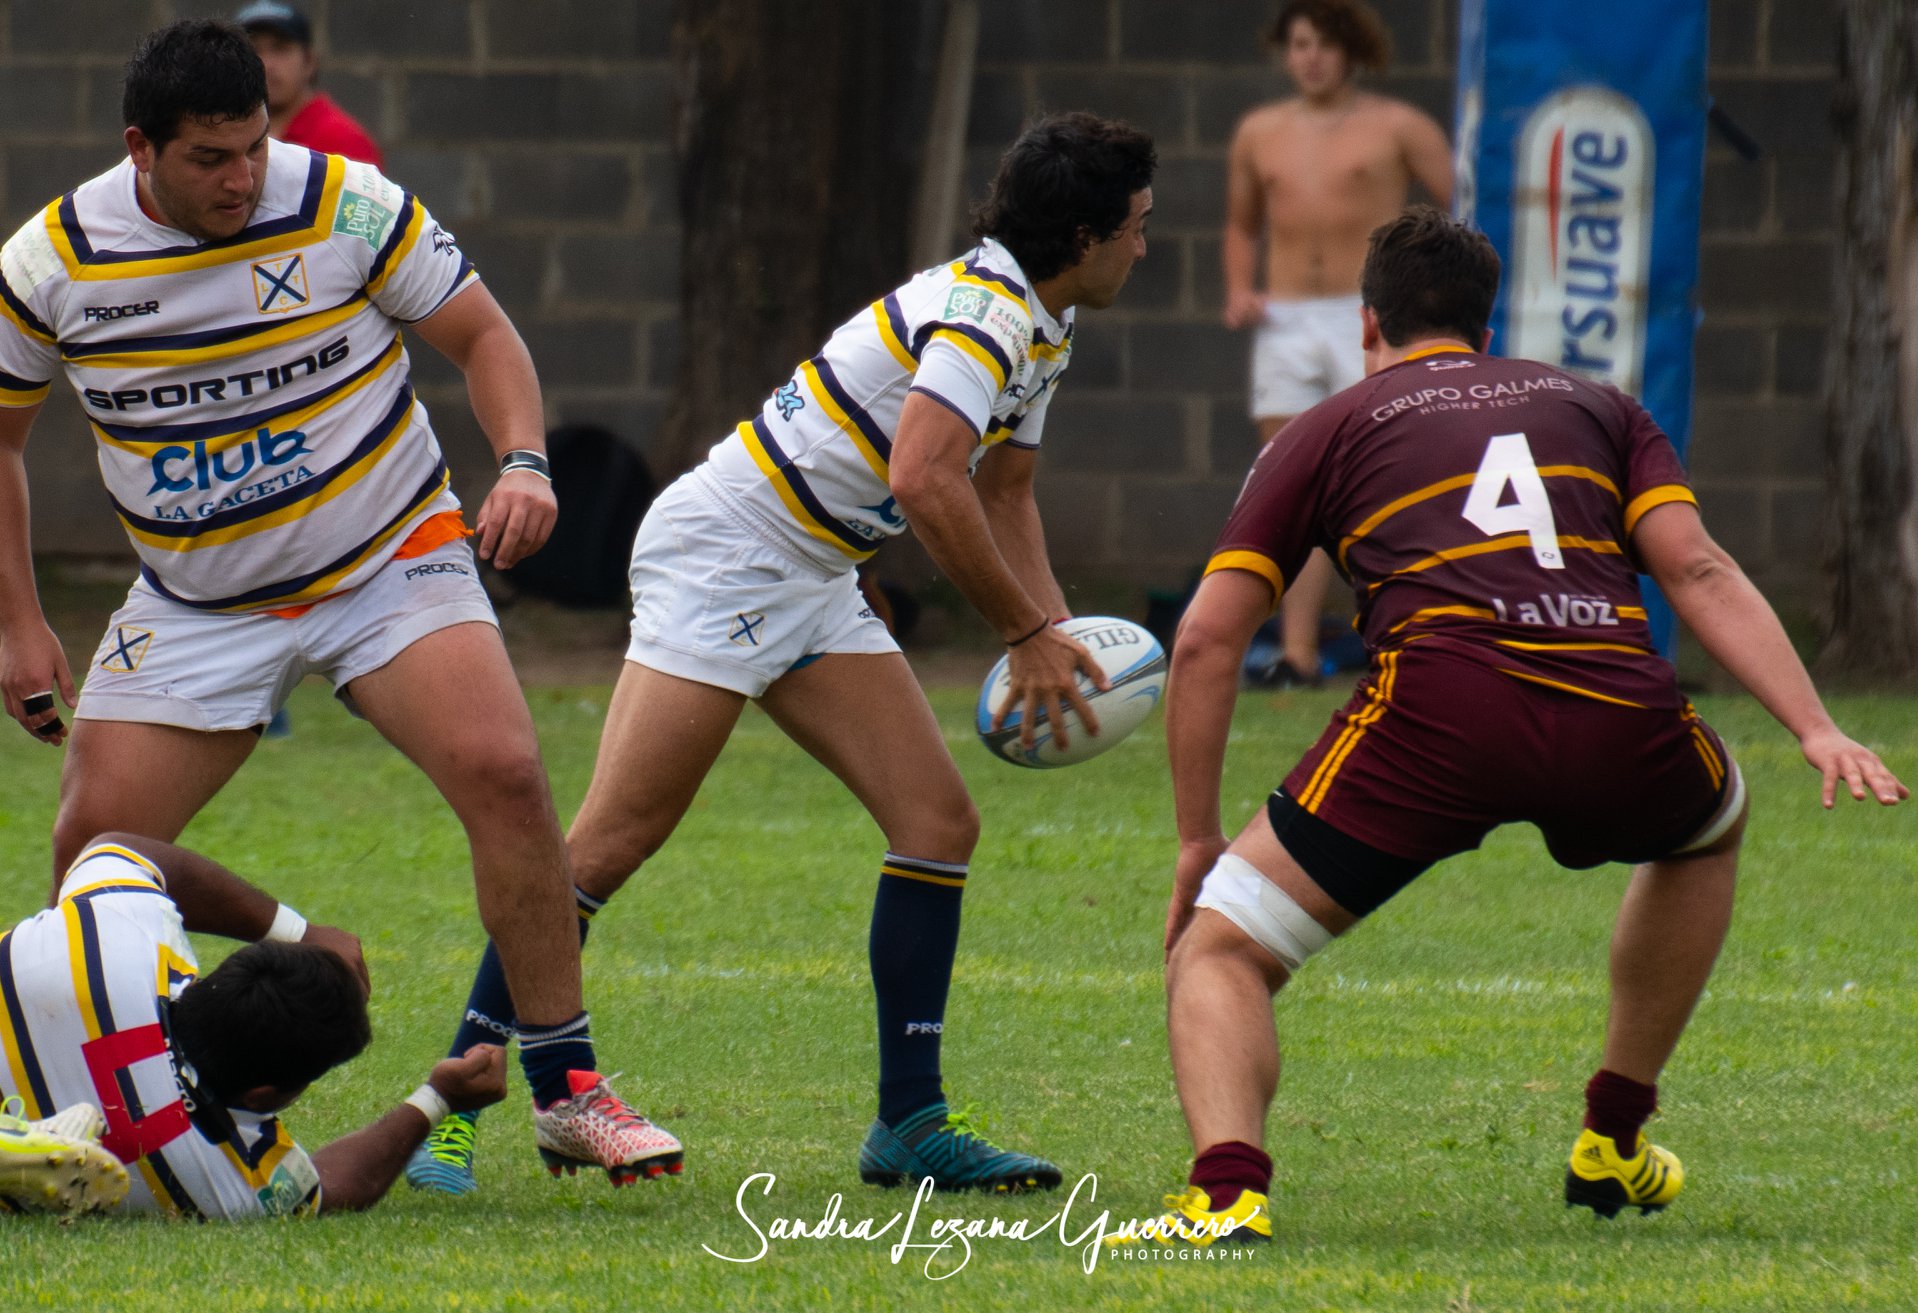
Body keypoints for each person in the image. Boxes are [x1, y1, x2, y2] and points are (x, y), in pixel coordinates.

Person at [1115, 207, 1906, 1247]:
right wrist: (1812, 725)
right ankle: (1613, 1137)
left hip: (1436, 717)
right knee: (1707, 824)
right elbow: (1695, 566)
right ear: (1487, 332)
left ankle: (1226, 1194)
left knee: (1220, 948)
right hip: (1614, 704)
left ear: (1368, 326)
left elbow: (1209, 641)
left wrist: (1194, 840)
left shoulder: (1328, 426)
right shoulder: (1598, 406)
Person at [403, 112, 1157, 1196]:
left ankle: (911, 1123)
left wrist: (1063, 640)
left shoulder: (1041, 318)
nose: (1145, 247)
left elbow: (1005, 490)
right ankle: (452, 1113)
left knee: (937, 821)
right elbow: (924, 477)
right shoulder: (986, 315)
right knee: (607, 843)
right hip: (729, 556)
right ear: (1081, 235)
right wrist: (1026, 635)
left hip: (810, 571)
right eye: (1134, 228)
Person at [0, 20, 675, 1183]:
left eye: (253, 146)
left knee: (506, 771)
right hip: (199, 596)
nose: (241, 177)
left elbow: (485, 335)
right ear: (139, 149)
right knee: (92, 847)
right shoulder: (52, 260)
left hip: (385, 558)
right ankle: (83, 1105)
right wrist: (17, 619)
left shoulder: (346, 204)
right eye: (209, 157)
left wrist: (520, 459)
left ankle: (568, 1084)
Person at [0, 834, 507, 1218]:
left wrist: (297, 929)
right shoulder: (230, 1170)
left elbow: (116, 845)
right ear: (267, 1093)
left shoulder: (120, 925)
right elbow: (333, 1184)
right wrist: (437, 1098)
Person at [1223, 0, 1452, 686]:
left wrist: (1430, 295)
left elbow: (1463, 206)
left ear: (1352, 50)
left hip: (1368, 315)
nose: (1310, 57)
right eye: (1298, 44)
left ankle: (1409, 639)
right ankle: (1296, 652)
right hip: (1286, 319)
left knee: (1383, 475)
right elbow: (1240, 225)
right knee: (1285, 479)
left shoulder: (1398, 126)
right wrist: (1239, 288)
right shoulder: (1258, 131)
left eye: (1323, 44)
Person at [237, 2, 383, 168]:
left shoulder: (344, 141)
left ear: (310, 61)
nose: (266, 63)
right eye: (253, 50)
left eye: (280, 49)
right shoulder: (225, 136)